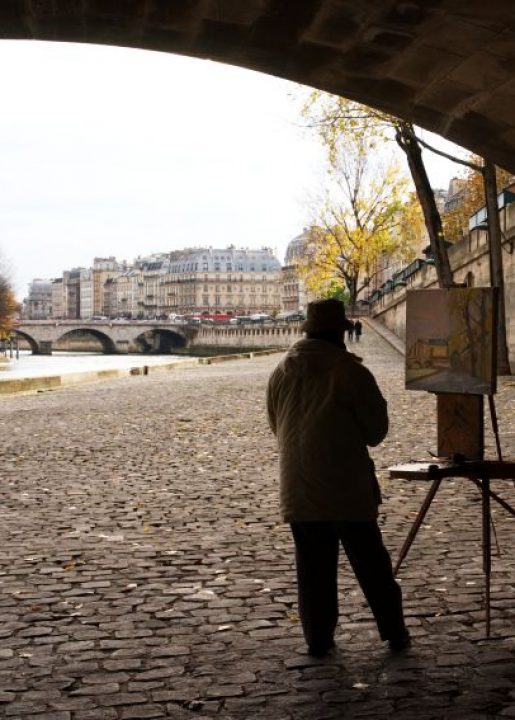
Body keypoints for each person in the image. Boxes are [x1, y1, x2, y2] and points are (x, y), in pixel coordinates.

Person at [266, 298, 410, 657]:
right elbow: (376, 431)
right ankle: (393, 630)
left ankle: (318, 639)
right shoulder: (350, 372)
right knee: (371, 564)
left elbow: (275, 425)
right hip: (346, 485)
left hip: (297, 484)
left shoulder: (281, 371)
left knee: (313, 571)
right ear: (341, 334)